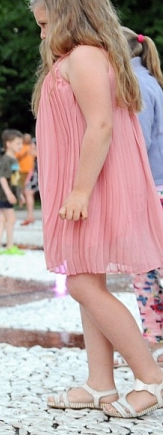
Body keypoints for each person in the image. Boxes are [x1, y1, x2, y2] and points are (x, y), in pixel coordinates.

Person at [32, 0, 163, 418]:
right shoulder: (77, 58)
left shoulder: (85, 56)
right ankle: (99, 384)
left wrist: (81, 190)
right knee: (89, 280)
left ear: (68, 16)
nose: (43, 34)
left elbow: (101, 125)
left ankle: (152, 378)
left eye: (46, 24)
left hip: (91, 187)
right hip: (82, 187)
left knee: (82, 283)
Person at [117, 27, 163, 368]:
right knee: (145, 268)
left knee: (148, 269)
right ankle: (153, 340)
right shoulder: (149, 81)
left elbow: (140, 145)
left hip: (151, 189)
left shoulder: (138, 87)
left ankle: (153, 337)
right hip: (154, 186)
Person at [0, 129, 25, 256]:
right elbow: (3, 178)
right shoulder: (6, 160)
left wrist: (18, 194)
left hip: (7, 194)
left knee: (3, 220)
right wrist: (9, 194)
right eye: (17, 143)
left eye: (21, 144)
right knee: (11, 219)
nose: (20, 146)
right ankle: (10, 246)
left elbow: (14, 179)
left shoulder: (13, 159)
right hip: (3, 195)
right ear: (8, 144)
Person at [16, 133, 37, 226]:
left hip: (37, 171)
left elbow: (35, 154)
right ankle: (30, 216)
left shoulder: (35, 142)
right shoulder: (25, 146)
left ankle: (30, 216)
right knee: (27, 191)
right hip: (31, 171)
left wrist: (32, 149)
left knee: (28, 191)